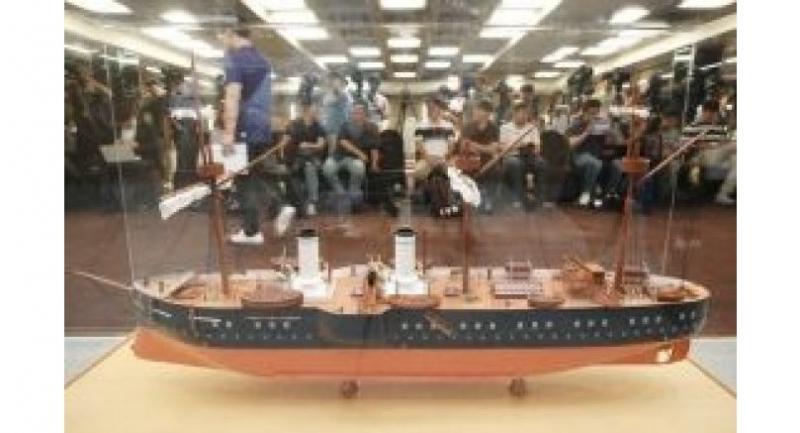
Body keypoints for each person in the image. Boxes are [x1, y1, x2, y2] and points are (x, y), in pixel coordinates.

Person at [220, 27, 295, 245]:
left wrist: (228, 133)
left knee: (243, 177)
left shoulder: (235, 59)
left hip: (245, 125)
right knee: (254, 173)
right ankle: (256, 225)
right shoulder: (262, 60)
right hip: (262, 125)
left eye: (223, 36)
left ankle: (265, 220)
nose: (222, 40)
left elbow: (232, 96)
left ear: (232, 34)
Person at [322, 102, 379, 209]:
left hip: (355, 160)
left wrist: (375, 164)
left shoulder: (372, 128)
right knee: (327, 168)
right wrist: (360, 153)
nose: (356, 115)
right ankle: (340, 192)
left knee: (359, 169)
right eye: (354, 113)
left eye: (359, 112)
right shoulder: (345, 125)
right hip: (339, 156)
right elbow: (343, 142)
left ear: (365, 114)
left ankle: (353, 194)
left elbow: (374, 147)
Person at [566, 99, 615, 207]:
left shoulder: (601, 123)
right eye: (591, 114)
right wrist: (587, 132)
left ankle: (604, 195)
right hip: (578, 155)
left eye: (596, 114)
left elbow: (611, 144)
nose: (594, 117)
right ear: (584, 112)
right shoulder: (577, 123)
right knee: (595, 163)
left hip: (597, 156)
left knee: (617, 166)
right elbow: (571, 144)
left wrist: (609, 134)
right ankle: (586, 193)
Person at [279, 103, 326, 216]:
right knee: (288, 171)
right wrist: (282, 154)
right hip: (295, 157)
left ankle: (312, 202)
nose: (316, 112)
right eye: (314, 110)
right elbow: (284, 141)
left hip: (312, 157)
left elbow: (320, 145)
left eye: (317, 111)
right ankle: (289, 203)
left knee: (310, 168)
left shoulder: (319, 127)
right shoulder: (293, 124)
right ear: (307, 110)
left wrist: (308, 145)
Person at [499, 102, 544, 208]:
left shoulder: (532, 128)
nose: (524, 115)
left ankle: (539, 197)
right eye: (521, 113)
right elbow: (501, 148)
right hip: (512, 156)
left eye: (526, 113)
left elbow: (537, 147)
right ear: (514, 113)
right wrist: (519, 146)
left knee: (542, 163)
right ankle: (517, 197)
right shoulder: (505, 128)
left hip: (530, 156)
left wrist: (532, 149)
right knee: (515, 164)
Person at [692, 99, 736, 205]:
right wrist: (714, 146)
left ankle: (723, 194)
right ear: (703, 111)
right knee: (734, 145)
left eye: (714, 112)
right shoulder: (693, 126)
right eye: (708, 112)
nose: (711, 115)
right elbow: (690, 145)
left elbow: (725, 142)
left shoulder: (720, 128)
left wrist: (722, 144)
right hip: (703, 156)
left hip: (721, 157)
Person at [461, 99, 501, 212]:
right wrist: (484, 148)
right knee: (464, 167)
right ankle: (471, 197)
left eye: (480, 111)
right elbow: (464, 146)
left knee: (495, 169)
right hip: (470, 157)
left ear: (487, 114)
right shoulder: (467, 127)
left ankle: (489, 199)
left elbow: (493, 150)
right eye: (476, 110)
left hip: (488, 160)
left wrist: (475, 145)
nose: (476, 113)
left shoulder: (493, 128)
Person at [412, 97, 456, 192]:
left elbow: (451, 147)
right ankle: (414, 194)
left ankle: (448, 194)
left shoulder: (449, 126)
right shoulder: (420, 126)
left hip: (443, 159)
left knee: (453, 175)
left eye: (435, 108)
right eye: (430, 108)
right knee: (413, 173)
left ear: (440, 110)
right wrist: (429, 159)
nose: (432, 111)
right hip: (427, 160)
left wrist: (443, 158)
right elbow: (419, 146)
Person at [321, 71, 353, 151]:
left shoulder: (343, 94)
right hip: (328, 127)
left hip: (338, 129)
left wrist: (336, 84)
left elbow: (338, 93)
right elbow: (325, 111)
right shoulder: (328, 94)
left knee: (334, 151)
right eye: (328, 79)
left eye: (331, 79)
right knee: (329, 150)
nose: (327, 81)